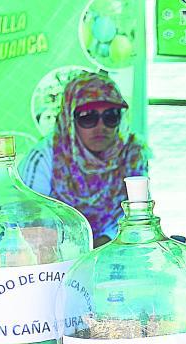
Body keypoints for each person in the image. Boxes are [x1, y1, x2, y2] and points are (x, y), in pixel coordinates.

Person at [20, 71, 148, 247]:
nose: (101, 127)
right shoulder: (44, 156)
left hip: (113, 248)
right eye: (88, 117)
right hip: (55, 252)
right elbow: (28, 219)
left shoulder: (132, 153)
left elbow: (138, 212)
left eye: (111, 116)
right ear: (69, 119)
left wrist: (106, 242)